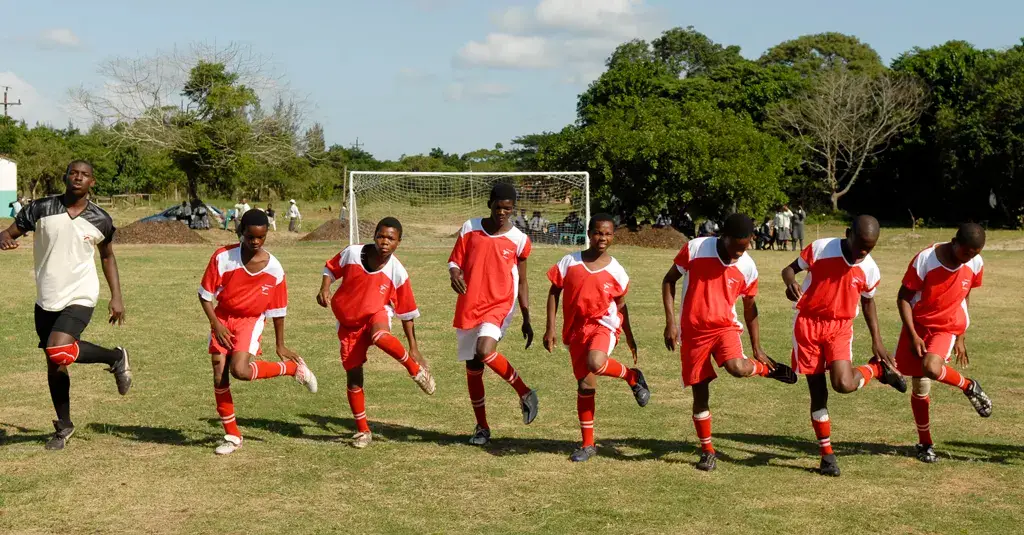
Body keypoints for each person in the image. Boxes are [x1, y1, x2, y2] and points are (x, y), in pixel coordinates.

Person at [0, 160, 132, 450]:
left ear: (92, 182)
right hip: (47, 297)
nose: (78, 178)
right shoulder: (40, 208)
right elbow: (9, 233)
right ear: (65, 177)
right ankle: (64, 425)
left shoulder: (101, 219)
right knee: (55, 364)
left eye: (85, 175)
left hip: (80, 294)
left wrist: (116, 296)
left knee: (59, 349)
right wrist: (4, 239)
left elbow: (107, 256)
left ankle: (115, 358)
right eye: (74, 173)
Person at [662, 213, 798, 471]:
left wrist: (757, 348)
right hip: (693, 333)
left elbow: (749, 307)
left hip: (724, 327)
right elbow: (669, 281)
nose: (739, 254)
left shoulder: (747, 266)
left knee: (737, 367)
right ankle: (707, 451)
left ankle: (764, 369)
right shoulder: (695, 248)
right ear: (723, 236)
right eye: (736, 247)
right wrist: (671, 322)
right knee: (700, 393)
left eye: (744, 248)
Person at [780, 215, 906, 477]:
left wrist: (877, 340)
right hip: (807, 324)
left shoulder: (869, 269)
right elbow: (789, 269)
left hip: (840, 327)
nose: (863, 252)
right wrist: (790, 282)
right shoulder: (821, 249)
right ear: (848, 233)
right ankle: (827, 455)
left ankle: (877, 370)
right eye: (860, 245)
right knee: (818, 392)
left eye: (870, 247)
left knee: (844, 384)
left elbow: (868, 302)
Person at [199, 209, 318, 456]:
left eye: (261, 237)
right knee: (219, 374)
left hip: (250, 320)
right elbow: (205, 295)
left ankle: (292, 369)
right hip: (222, 318)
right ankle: (233, 436)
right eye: (250, 236)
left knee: (240, 371)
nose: (255, 242)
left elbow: (278, 309)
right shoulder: (223, 257)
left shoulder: (274, 268)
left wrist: (281, 345)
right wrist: (216, 324)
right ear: (241, 232)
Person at [317, 217, 436, 449]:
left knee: (380, 336)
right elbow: (330, 268)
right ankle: (363, 431)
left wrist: (414, 349)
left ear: (398, 242)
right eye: (381, 236)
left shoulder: (397, 272)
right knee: (354, 378)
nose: (384, 242)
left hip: (376, 313)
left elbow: (407, 313)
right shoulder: (352, 253)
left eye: (390, 238)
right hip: (349, 324)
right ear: (374, 236)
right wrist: (324, 288)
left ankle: (415, 371)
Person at [543, 213, 650, 462]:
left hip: (604, 325)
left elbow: (621, 306)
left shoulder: (616, 270)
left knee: (595, 361)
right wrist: (550, 328)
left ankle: (632, 377)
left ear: (613, 236)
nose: (603, 238)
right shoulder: (570, 261)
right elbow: (554, 292)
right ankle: (588, 444)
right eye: (598, 233)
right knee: (585, 386)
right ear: (589, 234)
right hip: (576, 330)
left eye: (608, 234)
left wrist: (629, 336)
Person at [449, 183, 539, 446]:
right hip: (470, 302)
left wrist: (526, 317)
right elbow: (455, 260)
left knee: (484, 350)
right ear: (490, 204)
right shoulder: (470, 227)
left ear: (513, 209)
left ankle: (525, 392)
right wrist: (454, 274)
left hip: (500, 304)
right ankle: (482, 427)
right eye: (498, 207)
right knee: (473, 367)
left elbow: (523, 281)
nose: (502, 213)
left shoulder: (519, 240)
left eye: (508, 209)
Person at [894, 223, 992, 463]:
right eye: (966, 252)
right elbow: (903, 297)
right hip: (917, 325)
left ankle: (968, 386)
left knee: (931, 367)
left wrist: (961, 335)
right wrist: (913, 335)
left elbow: (964, 295)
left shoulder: (975, 263)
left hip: (946, 325)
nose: (969, 258)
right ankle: (925, 443)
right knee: (919, 386)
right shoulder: (926, 259)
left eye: (975, 254)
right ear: (954, 242)